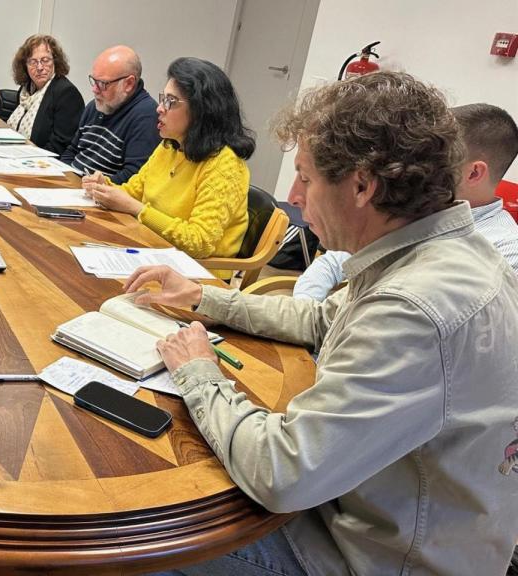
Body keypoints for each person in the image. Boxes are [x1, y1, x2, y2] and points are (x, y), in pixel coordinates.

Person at [128, 72, 518, 575]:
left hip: (372, 557)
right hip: (375, 512)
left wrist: (200, 372)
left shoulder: (415, 306)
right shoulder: (431, 253)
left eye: (306, 178)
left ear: (361, 185)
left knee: (142, 540)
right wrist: (203, 296)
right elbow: (318, 317)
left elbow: (282, 471)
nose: (293, 194)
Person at [294, 102, 518, 301]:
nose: (417, 168)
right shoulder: (414, 209)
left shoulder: (506, 251)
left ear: (474, 173)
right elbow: (333, 263)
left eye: (438, 160)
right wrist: (307, 306)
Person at [82, 57, 254, 261]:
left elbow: (200, 243)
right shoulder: (170, 146)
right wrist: (104, 188)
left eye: (170, 102)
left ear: (201, 110)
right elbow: (133, 192)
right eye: (163, 98)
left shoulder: (225, 164)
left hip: (197, 275)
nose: (159, 108)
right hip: (152, 250)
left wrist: (136, 208)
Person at [58, 45, 159, 184]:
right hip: (73, 186)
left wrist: (86, 187)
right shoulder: (97, 105)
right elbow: (72, 150)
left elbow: (134, 178)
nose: (94, 89)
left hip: (99, 196)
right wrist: (64, 178)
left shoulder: (146, 116)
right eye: (94, 80)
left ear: (129, 83)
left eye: (103, 83)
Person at [5, 34, 83, 155]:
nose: (40, 67)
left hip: (42, 163)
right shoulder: (25, 90)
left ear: (55, 62)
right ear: (25, 66)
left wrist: (24, 157)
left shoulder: (66, 93)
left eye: (45, 60)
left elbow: (60, 146)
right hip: (15, 155)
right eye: (33, 62)